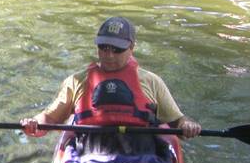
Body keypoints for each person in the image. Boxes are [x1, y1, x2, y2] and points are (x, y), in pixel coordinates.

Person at [20, 17, 201, 149]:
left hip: (141, 152)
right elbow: (50, 119)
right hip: (89, 151)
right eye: (103, 48)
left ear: (131, 48)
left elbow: (177, 121)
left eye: (117, 49)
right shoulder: (76, 81)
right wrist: (33, 124)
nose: (109, 55)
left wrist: (187, 125)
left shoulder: (151, 82)